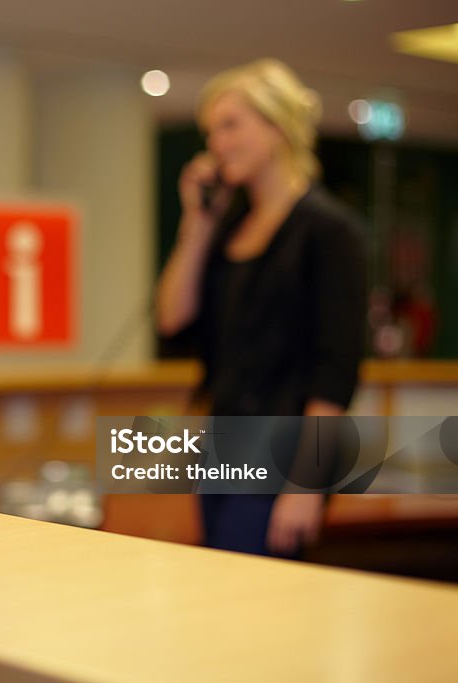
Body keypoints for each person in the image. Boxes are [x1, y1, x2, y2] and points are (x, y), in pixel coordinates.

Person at [156, 59, 367, 557]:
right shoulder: (227, 228)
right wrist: (198, 224)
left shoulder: (329, 232)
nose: (217, 145)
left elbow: (334, 373)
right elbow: (172, 318)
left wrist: (306, 487)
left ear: (277, 128)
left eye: (231, 125)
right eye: (211, 132)